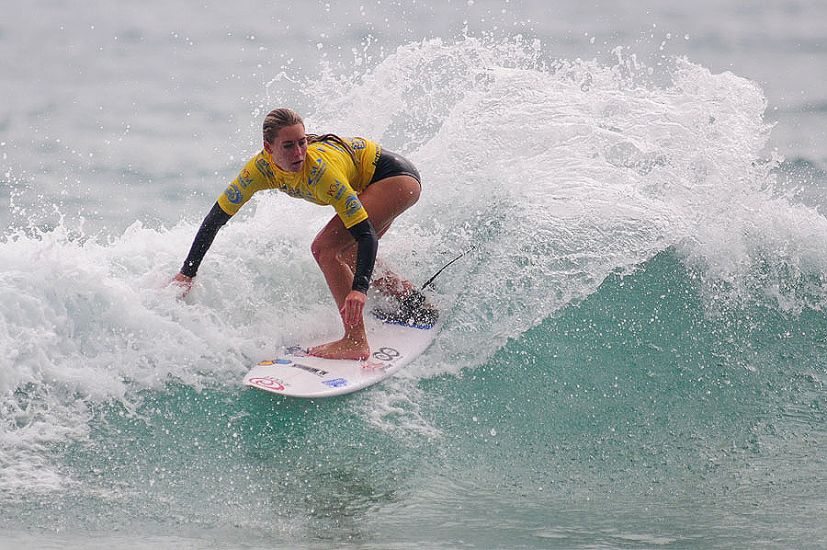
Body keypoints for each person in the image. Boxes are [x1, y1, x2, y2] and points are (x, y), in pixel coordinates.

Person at [171, 107, 430, 360]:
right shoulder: (258, 171)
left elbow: (365, 235)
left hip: (394, 180)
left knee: (325, 249)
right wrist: (187, 273)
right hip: (381, 181)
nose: (299, 153)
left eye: (302, 142)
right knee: (348, 253)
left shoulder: (321, 172)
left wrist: (359, 290)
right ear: (268, 147)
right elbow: (215, 218)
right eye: (288, 146)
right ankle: (414, 303)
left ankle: (355, 341)